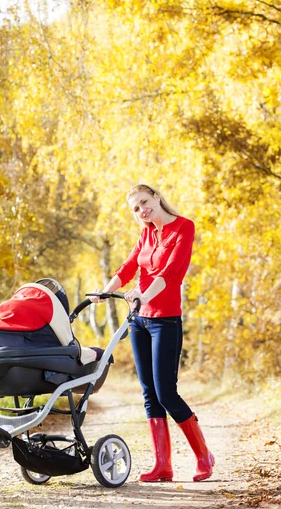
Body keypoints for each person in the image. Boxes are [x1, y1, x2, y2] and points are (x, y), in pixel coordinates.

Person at [91, 184, 215, 483]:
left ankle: (203, 456)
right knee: (149, 395)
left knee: (166, 393)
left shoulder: (183, 228)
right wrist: (105, 292)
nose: (142, 210)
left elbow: (171, 274)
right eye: (135, 208)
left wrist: (144, 295)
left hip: (165, 321)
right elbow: (130, 265)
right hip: (139, 321)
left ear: (157, 197)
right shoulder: (147, 233)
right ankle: (163, 465)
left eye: (144, 202)